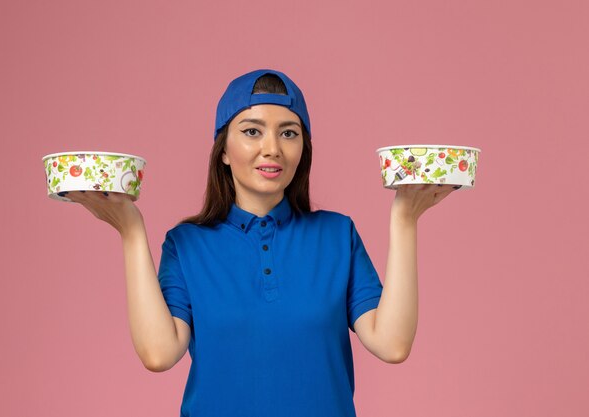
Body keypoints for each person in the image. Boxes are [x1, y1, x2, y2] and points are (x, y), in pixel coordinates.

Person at [66, 69, 458, 416]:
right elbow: (159, 353)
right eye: (252, 131)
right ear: (223, 151)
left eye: (289, 132)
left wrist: (405, 219)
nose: (272, 148)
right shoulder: (186, 245)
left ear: (302, 149)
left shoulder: (338, 235)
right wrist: (131, 232)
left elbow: (392, 344)